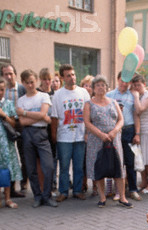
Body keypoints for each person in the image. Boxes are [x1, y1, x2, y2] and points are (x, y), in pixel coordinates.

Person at [83, 75, 132, 208]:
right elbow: (87, 122)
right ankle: (102, 197)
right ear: (93, 88)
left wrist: (114, 131)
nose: (101, 87)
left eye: (103, 85)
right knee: (99, 167)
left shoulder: (113, 102)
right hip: (96, 141)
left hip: (114, 140)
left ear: (107, 87)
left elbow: (121, 120)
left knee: (118, 167)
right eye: (98, 85)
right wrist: (100, 134)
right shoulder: (89, 104)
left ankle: (122, 197)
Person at [16, 69, 56, 207]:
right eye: (27, 83)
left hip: (41, 134)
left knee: (49, 167)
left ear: (36, 81)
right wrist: (40, 117)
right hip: (27, 135)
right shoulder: (20, 100)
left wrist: (26, 113)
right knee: (31, 168)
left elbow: (44, 114)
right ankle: (37, 196)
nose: (30, 85)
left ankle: (47, 196)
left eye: (32, 82)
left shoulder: (43, 96)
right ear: (23, 83)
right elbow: (22, 122)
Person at [51, 64, 90, 202]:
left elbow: (87, 114)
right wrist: (54, 136)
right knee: (64, 167)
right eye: (68, 75)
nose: (72, 77)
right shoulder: (57, 95)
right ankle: (63, 191)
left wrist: (86, 133)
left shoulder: (83, 93)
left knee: (79, 166)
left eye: (73, 74)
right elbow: (54, 117)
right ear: (62, 78)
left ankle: (78, 190)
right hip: (64, 137)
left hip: (80, 136)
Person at [107, 71, 141, 201]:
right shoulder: (110, 95)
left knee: (130, 161)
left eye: (127, 81)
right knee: (116, 162)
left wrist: (137, 133)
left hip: (128, 130)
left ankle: (133, 189)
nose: (124, 83)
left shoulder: (132, 96)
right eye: (122, 80)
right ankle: (118, 192)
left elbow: (136, 115)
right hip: (114, 131)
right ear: (117, 80)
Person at [0, 63, 27, 197]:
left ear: (15, 74)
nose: (9, 76)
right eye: (6, 74)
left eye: (11, 73)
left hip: (21, 126)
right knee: (7, 159)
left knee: (23, 157)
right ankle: (8, 189)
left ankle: (23, 184)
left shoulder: (22, 89)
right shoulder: (3, 90)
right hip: (5, 131)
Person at [131, 74, 148, 194]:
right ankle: (144, 181)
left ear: (144, 84)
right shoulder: (140, 95)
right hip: (139, 131)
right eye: (134, 85)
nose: (136, 87)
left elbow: (140, 109)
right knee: (141, 157)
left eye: (139, 85)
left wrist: (136, 96)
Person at [0, 76, 22, 208]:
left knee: (6, 170)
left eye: (2, 89)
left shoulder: (8, 104)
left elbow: (14, 124)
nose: (0, 92)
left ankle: (7, 198)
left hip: (6, 143)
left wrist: (4, 115)